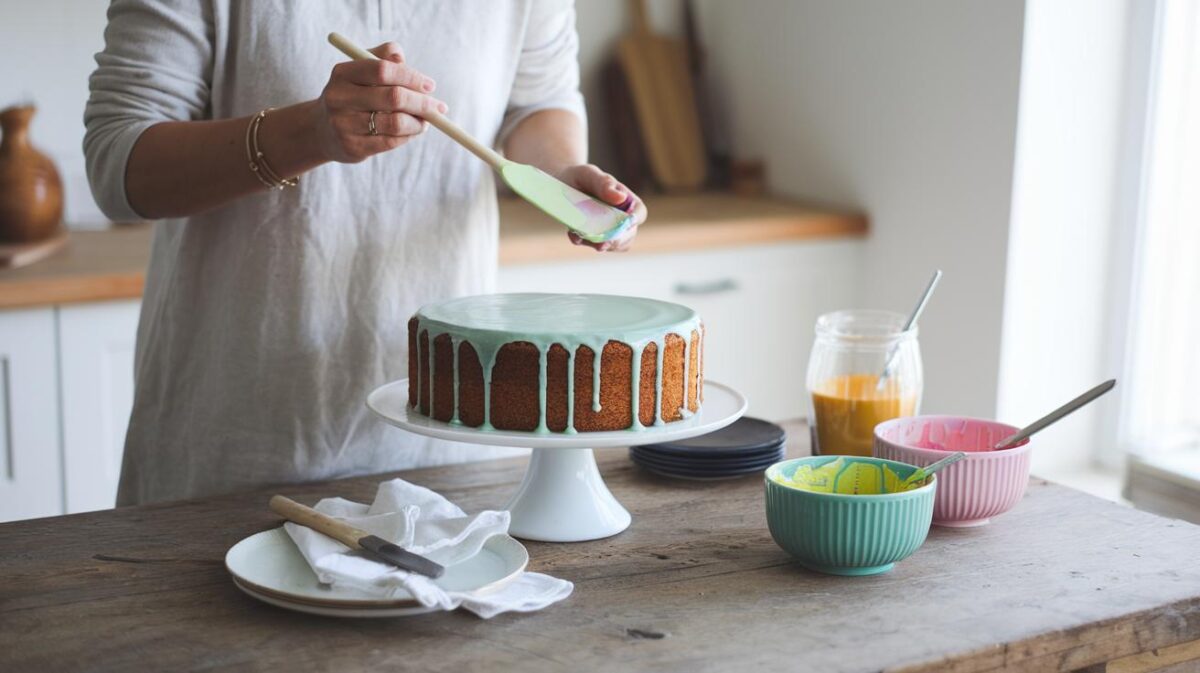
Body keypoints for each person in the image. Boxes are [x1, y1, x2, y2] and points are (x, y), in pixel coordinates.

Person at [83, 0, 645, 505]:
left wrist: (565, 177)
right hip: (232, 442)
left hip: (448, 433)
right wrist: (308, 134)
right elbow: (119, 166)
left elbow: (539, 103)